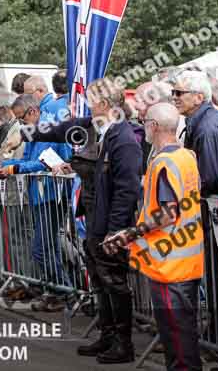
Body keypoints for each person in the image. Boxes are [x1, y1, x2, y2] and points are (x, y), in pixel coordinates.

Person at [23, 78, 141, 363]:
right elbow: (63, 128)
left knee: (114, 281)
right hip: (94, 217)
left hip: (111, 224)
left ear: (103, 104)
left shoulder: (123, 138)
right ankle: (107, 335)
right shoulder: (98, 128)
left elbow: (127, 190)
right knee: (100, 280)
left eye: (91, 100)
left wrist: (115, 231)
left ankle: (123, 344)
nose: (88, 105)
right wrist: (30, 132)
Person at [105, 103, 203, 371]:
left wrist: (130, 233)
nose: (144, 125)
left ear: (155, 126)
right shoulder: (187, 157)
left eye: (146, 121)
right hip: (186, 258)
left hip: (169, 263)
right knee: (183, 335)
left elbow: (168, 213)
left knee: (178, 341)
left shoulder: (163, 162)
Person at [0, 94, 73, 311]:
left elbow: (42, 163)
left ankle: (67, 292)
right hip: (39, 194)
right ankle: (58, 293)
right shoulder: (33, 131)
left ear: (33, 112)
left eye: (21, 119)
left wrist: (13, 168)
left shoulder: (50, 127)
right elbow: (28, 160)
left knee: (41, 249)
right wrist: (0, 164)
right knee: (48, 248)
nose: (19, 124)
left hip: (53, 194)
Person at [172, 70, 218, 350]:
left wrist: (182, 189)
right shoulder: (201, 122)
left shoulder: (209, 127)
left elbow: (212, 176)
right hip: (211, 213)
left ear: (198, 96)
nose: (174, 98)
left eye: (179, 93)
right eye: (173, 93)